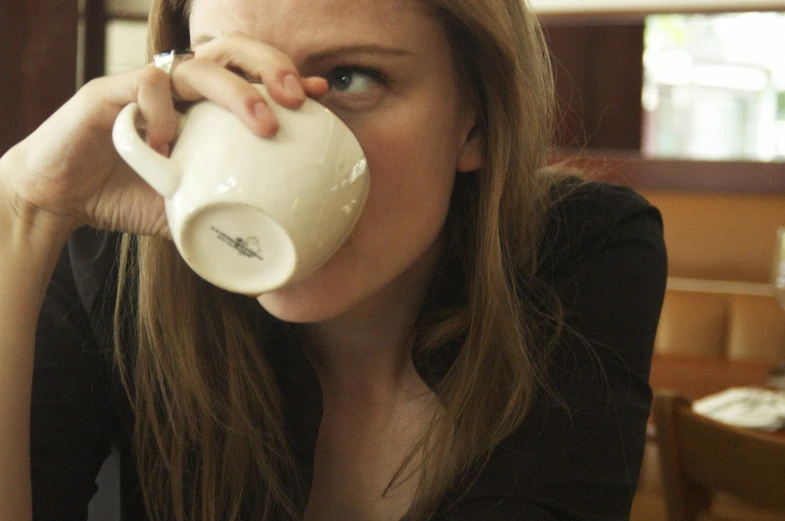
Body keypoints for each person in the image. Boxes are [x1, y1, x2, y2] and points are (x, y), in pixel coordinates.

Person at [0, 0, 667, 519]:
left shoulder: (577, 254)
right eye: (232, 76)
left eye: (351, 77)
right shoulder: (109, 258)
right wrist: (21, 212)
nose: (271, 136)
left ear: (475, 119)